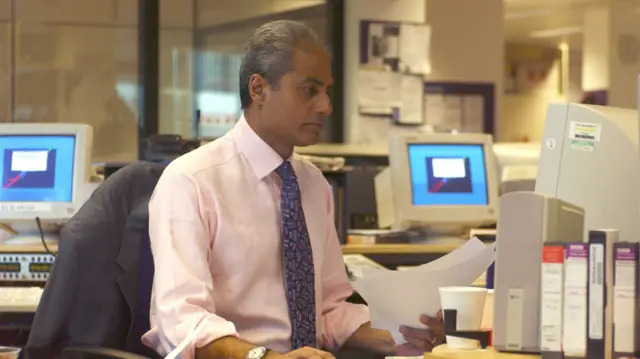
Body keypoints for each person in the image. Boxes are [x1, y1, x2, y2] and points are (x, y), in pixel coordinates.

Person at [142, 20, 445, 359]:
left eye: (327, 92)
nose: (326, 107)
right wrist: (266, 358)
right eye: (309, 90)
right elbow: (182, 323)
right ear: (258, 89)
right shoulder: (191, 181)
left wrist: (400, 336)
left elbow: (328, 308)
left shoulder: (314, 183)